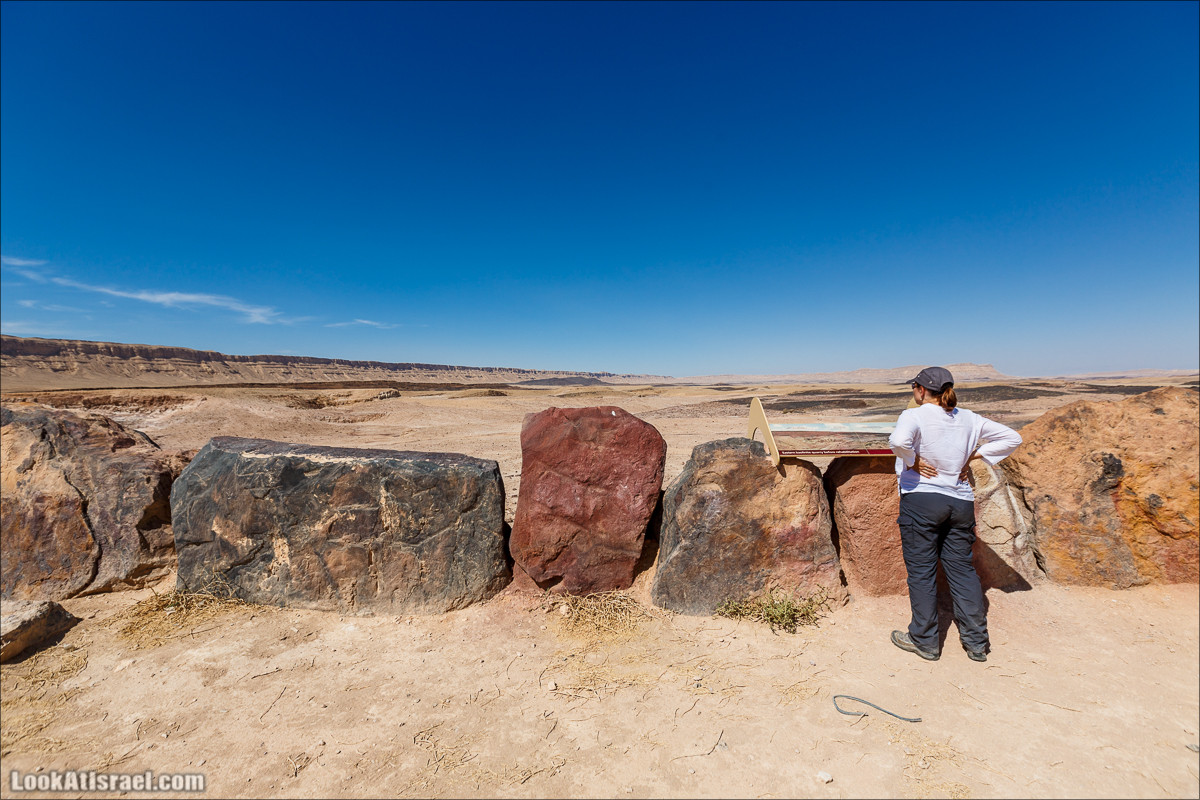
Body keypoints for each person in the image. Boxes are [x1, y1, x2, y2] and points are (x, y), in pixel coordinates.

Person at [887, 366, 1022, 663]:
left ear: (921, 390)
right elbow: (1012, 437)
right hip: (960, 503)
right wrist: (975, 455)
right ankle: (976, 643)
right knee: (962, 570)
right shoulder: (969, 418)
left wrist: (911, 461)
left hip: (921, 501)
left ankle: (924, 641)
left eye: (914, 387)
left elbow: (897, 442)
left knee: (922, 573)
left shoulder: (914, 415)